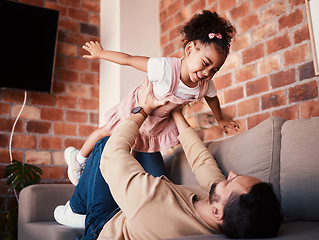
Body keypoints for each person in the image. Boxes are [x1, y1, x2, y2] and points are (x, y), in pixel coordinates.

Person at [54, 79, 282, 240]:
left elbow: (113, 156)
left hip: (105, 225)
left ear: (217, 213)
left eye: (231, 181)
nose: (230, 174)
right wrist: (175, 112)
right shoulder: (221, 212)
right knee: (149, 143)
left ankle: (76, 209)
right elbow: (203, 162)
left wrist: (142, 109)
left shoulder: (152, 202)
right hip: (142, 209)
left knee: (104, 144)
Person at [64, 10, 240, 185]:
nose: (207, 73)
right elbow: (129, 59)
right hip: (139, 108)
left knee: (146, 152)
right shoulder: (164, 68)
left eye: (214, 70)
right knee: (106, 131)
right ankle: (78, 158)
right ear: (189, 49)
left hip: (158, 122)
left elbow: (212, 98)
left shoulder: (205, 85)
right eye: (205, 63)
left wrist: (220, 118)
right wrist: (102, 53)